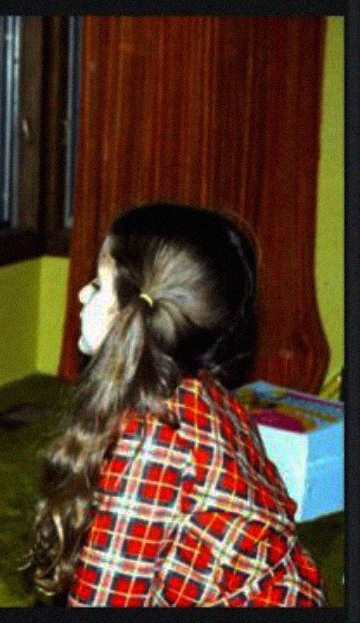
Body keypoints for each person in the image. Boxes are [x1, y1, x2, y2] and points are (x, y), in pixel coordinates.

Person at [26, 203, 326, 606]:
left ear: (132, 314)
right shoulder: (202, 391)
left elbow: (104, 600)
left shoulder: (150, 441)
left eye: (97, 285)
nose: (82, 293)